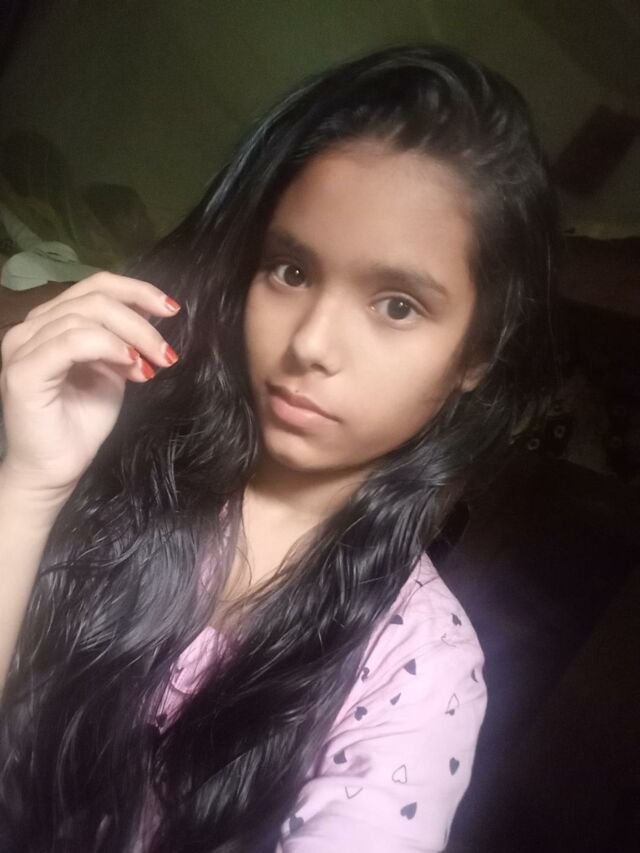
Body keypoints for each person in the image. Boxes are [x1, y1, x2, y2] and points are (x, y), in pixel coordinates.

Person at [0, 43, 561, 852]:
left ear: (476, 352)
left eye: (397, 305)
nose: (311, 344)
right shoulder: (112, 470)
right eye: (290, 270)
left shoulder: (420, 667)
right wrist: (30, 484)